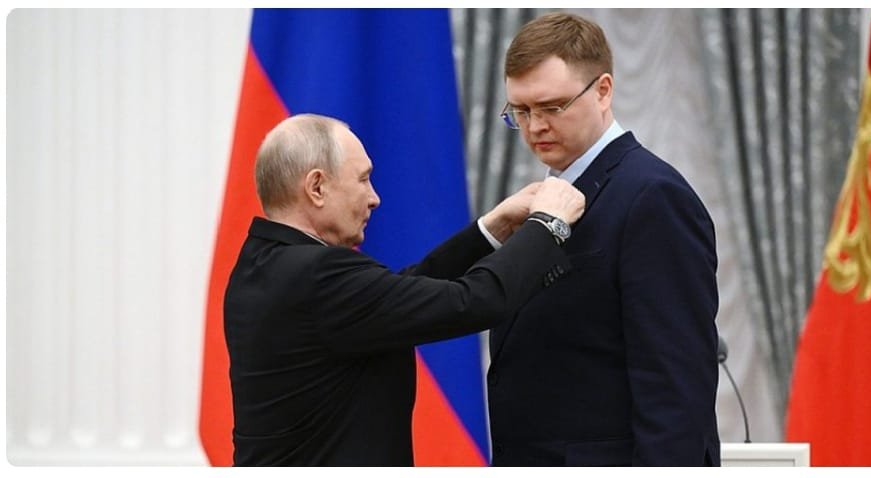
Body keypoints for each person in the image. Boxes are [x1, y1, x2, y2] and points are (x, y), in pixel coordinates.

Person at [223, 113, 585, 466]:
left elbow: (394, 297)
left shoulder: (261, 264)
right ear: (317, 187)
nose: (374, 198)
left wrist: (491, 229)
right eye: (363, 179)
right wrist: (546, 225)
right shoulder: (319, 274)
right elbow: (473, 302)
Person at [486, 13, 720, 466]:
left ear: (603, 90)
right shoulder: (543, 197)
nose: (535, 127)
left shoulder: (652, 196)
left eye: (552, 107)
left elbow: (675, 388)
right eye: (521, 111)